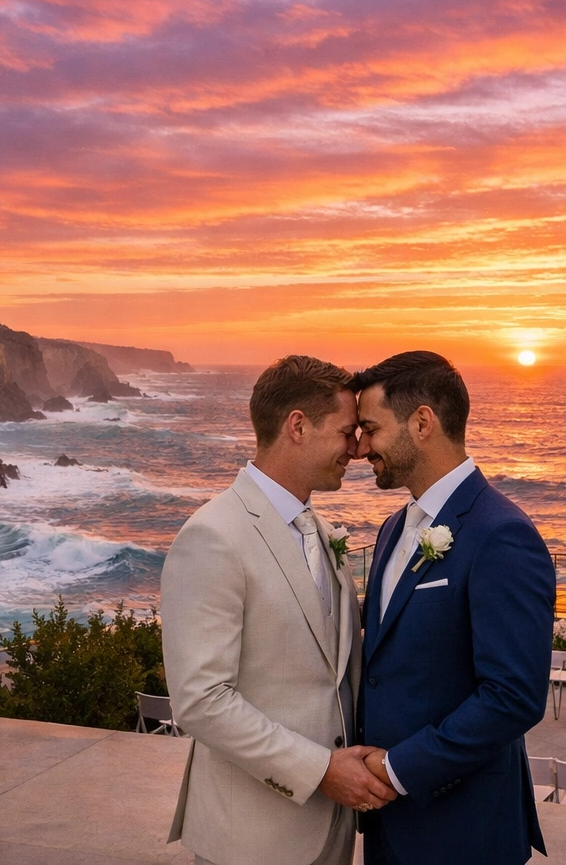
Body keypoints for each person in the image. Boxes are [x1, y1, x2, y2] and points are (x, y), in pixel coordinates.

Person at [162, 355, 396, 865]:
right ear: (297, 425)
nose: (357, 450)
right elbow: (200, 700)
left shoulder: (316, 528)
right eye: (345, 431)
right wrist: (320, 770)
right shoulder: (214, 535)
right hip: (253, 837)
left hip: (331, 828)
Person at [353, 351, 556, 865]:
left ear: (422, 422)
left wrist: (399, 769)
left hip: (464, 830)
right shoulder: (391, 530)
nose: (361, 448)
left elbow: (513, 696)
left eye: (371, 429)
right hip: (389, 826)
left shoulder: (501, 534)